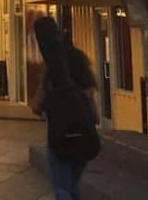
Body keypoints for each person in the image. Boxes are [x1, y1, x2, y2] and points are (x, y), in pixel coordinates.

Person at [30, 41, 100, 200]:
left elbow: (35, 107)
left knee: (62, 188)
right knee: (71, 186)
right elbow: (95, 117)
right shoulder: (85, 84)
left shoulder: (50, 82)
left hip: (59, 141)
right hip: (84, 142)